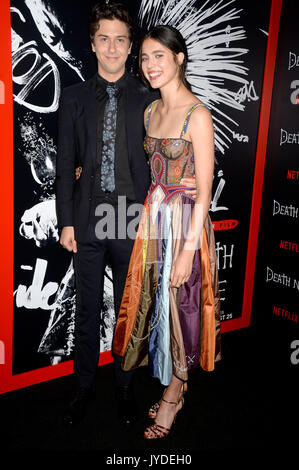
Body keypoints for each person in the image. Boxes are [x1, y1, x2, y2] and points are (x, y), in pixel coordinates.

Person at [56, 2, 196, 427]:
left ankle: (123, 386)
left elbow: (172, 145)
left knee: (130, 310)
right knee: (86, 308)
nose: (113, 48)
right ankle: (83, 387)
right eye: (104, 39)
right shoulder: (76, 96)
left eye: (121, 40)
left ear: (129, 44)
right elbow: (65, 164)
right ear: (93, 45)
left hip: (134, 218)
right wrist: (66, 220)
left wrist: (183, 183)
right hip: (87, 216)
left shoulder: (149, 99)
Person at [113, 25, 221, 439]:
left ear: (179, 58)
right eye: (144, 57)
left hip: (185, 225)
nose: (150, 64)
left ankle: (175, 394)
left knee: (181, 310)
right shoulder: (150, 112)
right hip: (154, 219)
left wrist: (186, 252)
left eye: (159, 55)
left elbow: (205, 193)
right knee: (157, 305)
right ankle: (172, 380)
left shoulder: (199, 115)